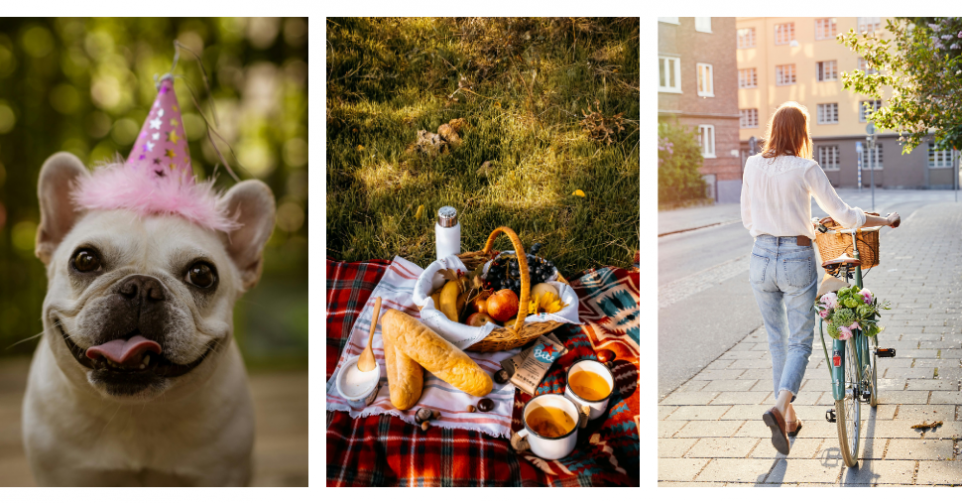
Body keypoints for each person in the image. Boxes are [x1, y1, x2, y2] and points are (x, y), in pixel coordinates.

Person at [740, 102, 900, 455]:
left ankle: (790, 420)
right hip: (796, 259)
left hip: (760, 257)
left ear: (773, 129)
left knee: (776, 342)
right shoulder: (806, 167)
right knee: (799, 343)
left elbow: (747, 217)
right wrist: (884, 220)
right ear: (801, 133)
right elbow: (843, 214)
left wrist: (776, 231)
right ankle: (779, 409)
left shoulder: (752, 163)